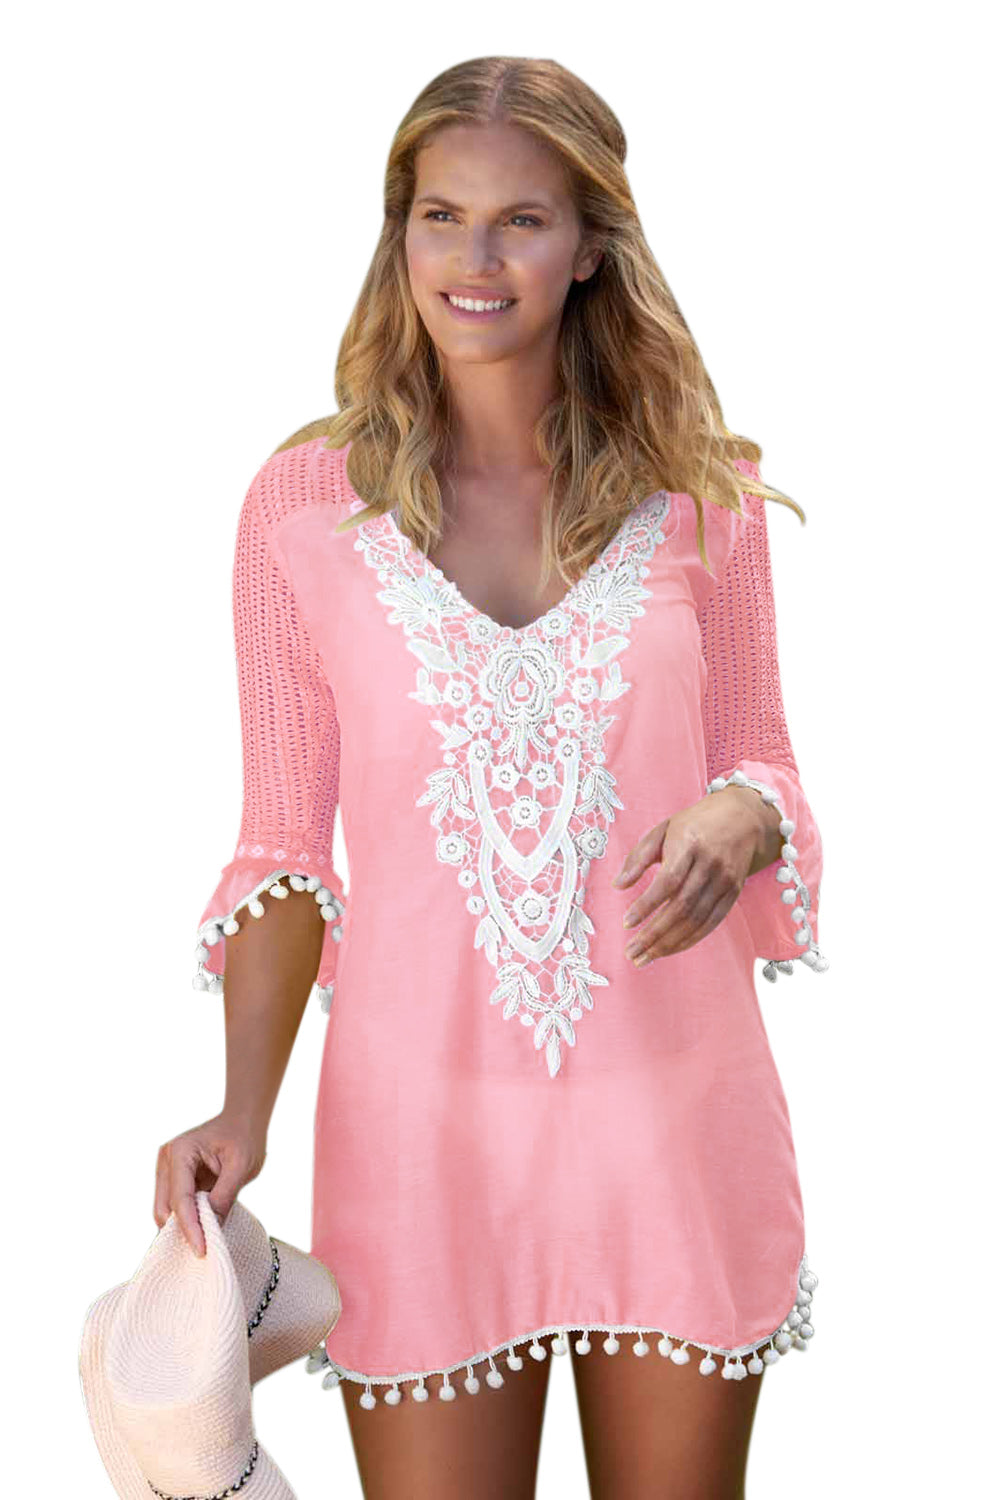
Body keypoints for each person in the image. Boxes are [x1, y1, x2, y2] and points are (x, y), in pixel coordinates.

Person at [154, 55, 827, 1500]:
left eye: (520, 219)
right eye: (440, 215)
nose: (475, 258)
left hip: (673, 1119)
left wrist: (746, 808)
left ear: (588, 246)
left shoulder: (699, 499)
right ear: (398, 234)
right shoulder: (303, 509)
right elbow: (284, 844)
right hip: (419, 1137)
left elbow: (764, 756)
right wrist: (239, 1112)